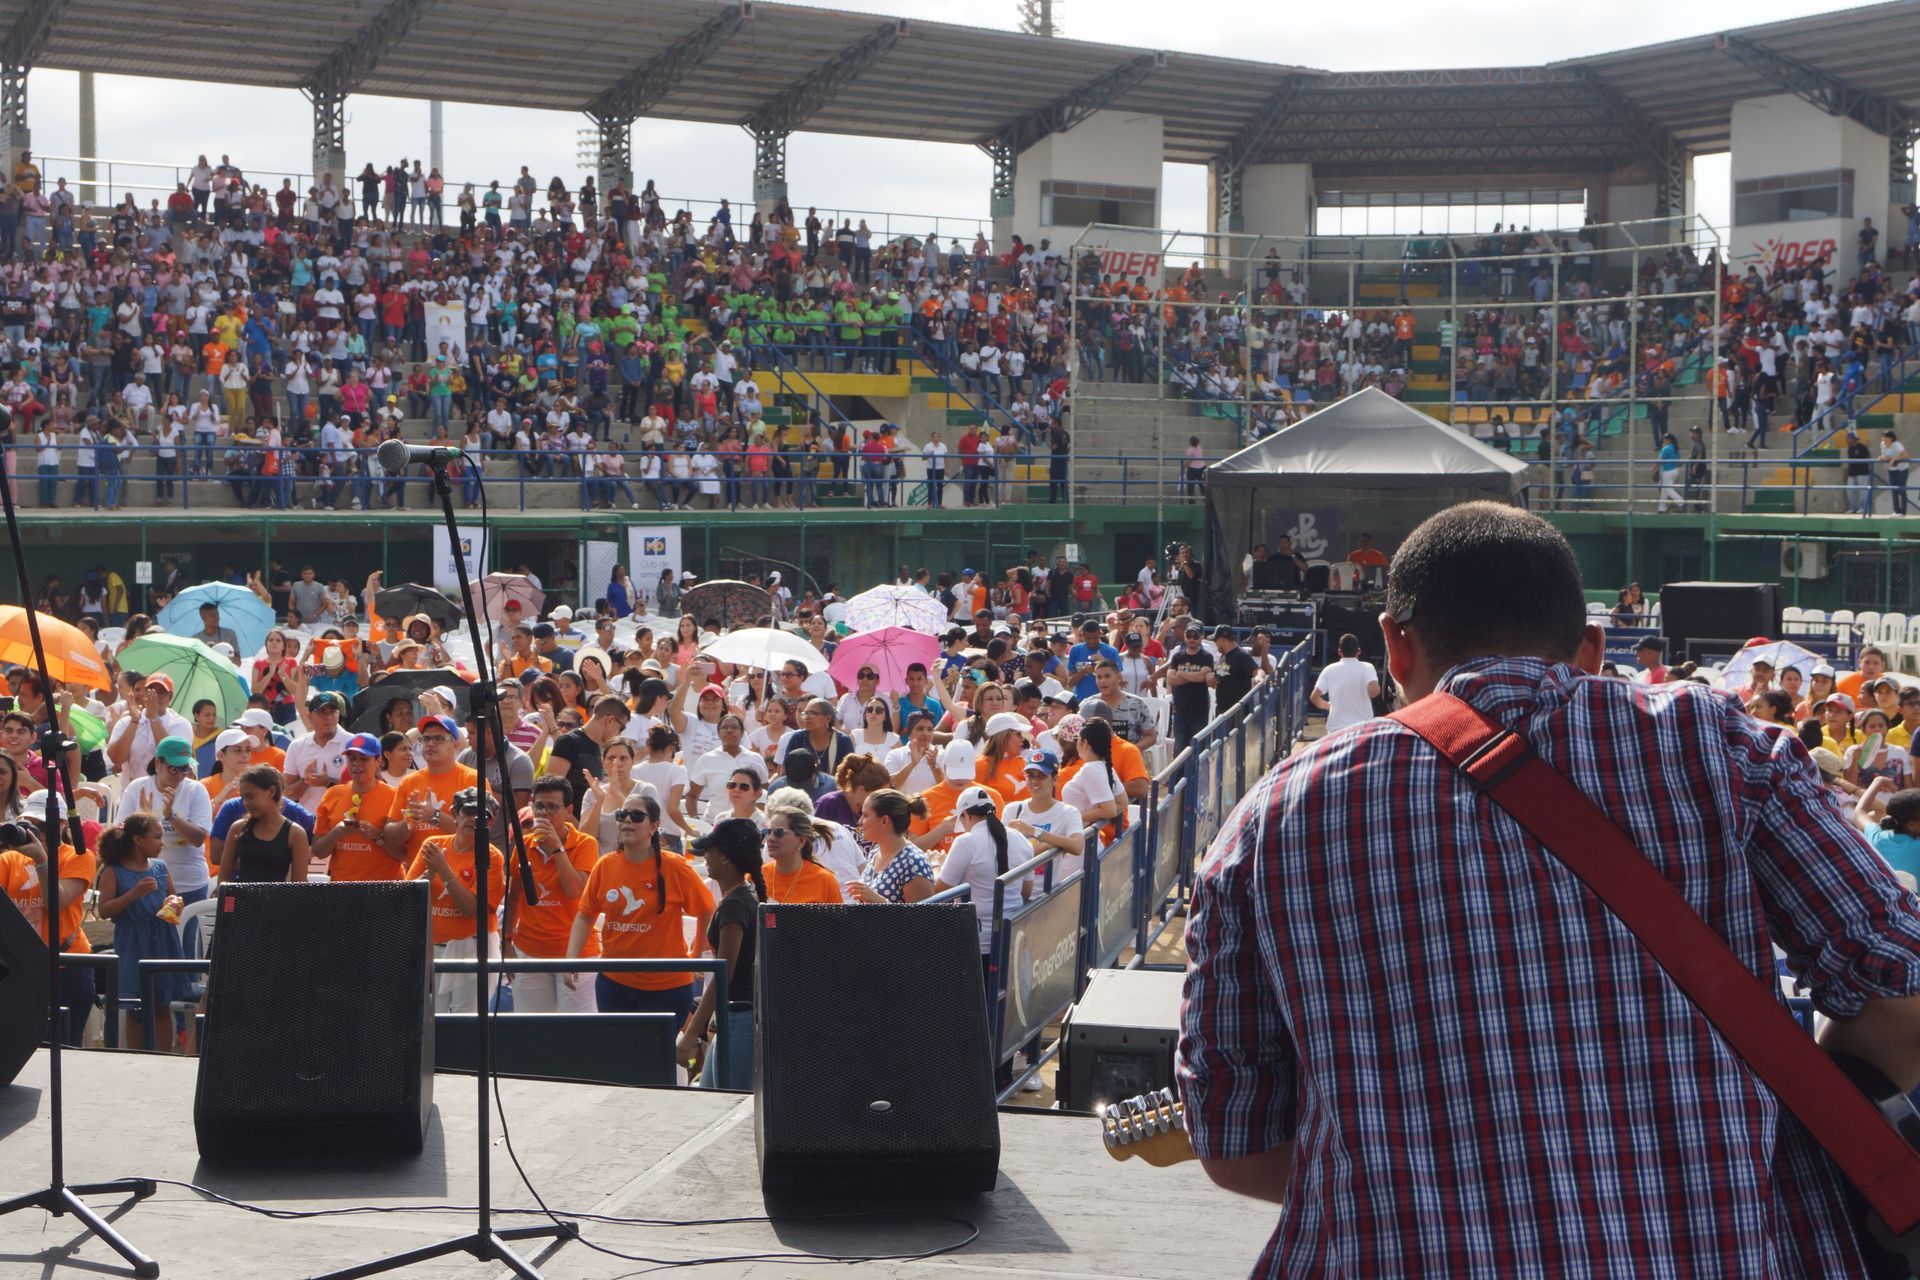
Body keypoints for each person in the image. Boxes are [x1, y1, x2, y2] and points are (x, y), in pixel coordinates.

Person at [1177, 500, 1920, 1276]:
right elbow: (1903, 1000)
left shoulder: (1269, 816)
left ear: (1396, 646)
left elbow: (1236, 1144)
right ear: (1594, 647)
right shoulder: (1724, 747)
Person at [563, 793, 713, 1023]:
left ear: (654, 826)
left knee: (652, 1058)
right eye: (622, 815)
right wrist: (571, 958)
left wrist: (695, 955)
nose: (627, 821)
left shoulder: (675, 866)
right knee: (619, 1056)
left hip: (667, 988)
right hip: (614, 984)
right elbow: (585, 915)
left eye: (636, 816)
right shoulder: (605, 865)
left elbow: (707, 910)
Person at [0, 790, 97, 1046]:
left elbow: (57, 902)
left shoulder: (79, 855)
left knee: (65, 1047)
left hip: (67, 966)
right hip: (22, 969)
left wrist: (41, 859)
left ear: (62, 825)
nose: (38, 833)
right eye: (32, 825)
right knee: (18, 1047)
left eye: (45, 827)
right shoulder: (9, 859)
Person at [94, 813, 189, 1051]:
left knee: (161, 1005)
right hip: (133, 943)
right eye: (157, 837)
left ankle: (164, 1056)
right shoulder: (113, 871)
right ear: (138, 839)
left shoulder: (160, 866)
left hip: (162, 940)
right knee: (136, 1008)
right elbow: (104, 910)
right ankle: (137, 1055)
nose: (161, 842)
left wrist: (173, 904)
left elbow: (173, 896)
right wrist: (133, 894)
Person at [504, 776, 599, 1014]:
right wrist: (506, 942)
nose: (544, 813)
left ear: (568, 811)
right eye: (539, 806)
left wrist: (557, 848)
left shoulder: (586, 844)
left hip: (576, 954)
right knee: (532, 1030)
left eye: (552, 807)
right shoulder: (523, 847)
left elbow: (574, 890)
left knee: (575, 1033)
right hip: (530, 952)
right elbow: (513, 896)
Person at [681, 818, 764, 1088]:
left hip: (739, 1022)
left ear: (726, 857)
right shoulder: (741, 897)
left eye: (711, 850)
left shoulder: (736, 904)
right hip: (733, 1019)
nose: (705, 857)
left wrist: (692, 1032)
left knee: (730, 1109)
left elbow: (723, 974)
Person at [407, 787, 504, 1014]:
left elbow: (471, 908)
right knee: (431, 1020)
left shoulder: (491, 856)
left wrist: (443, 869)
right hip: (432, 947)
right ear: (455, 812)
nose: (476, 820)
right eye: (470, 811)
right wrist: (429, 876)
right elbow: (410, 894)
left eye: (485, 816)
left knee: (466, 1022)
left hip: (472, 946)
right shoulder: (433, 844)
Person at [119, 734, 214, 905]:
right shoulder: (137, 788)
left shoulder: (196, 790)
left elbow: (198, 839)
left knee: (185, 933)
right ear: (157, 763)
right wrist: (145, 818)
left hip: (188, 884)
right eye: (173, 768)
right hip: (147, 882)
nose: (179, 775)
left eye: (185, 768)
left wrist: (171, 816)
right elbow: (120, 834)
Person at [311, 732, 401, 881]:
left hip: (384, 888)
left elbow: (404, 854)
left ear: (378, 761)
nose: (356, 764)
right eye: (352, 758)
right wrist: (336, 834)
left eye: (364, 759)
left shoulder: (394, 797)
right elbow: (318, 851)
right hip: (343, 888)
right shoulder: (332, 795)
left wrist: (378, 836)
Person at [218, 765, 312, 883]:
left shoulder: (295, 834)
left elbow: (299, 886)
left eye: (250, 797)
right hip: (241, 901)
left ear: (271, 792)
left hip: (278, 901)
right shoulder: (238, 828)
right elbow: (223, 879)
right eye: (243, 798)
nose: (245, 803)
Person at [848, 788, 935, 903]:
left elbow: (921, 919)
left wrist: (879, 902)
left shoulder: (914, 862)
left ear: (884, 821)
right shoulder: (875, 852)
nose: (860, 821)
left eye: (865, 815)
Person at [760, 807, 844, 904]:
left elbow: (838, 919)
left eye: (779, 832)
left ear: (801, 840)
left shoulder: (824, 881)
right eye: (768, 832)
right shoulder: (757, 877)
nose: (770, 838)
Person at [1310, 632, 1381, 733]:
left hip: (1336, 730)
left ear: (1339, 652)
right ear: (1359, 651)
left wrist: (1328, 705)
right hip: (1362, 729)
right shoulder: (1367, 667)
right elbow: (1375, 692)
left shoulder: (1329, 670)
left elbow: (1314, 697)